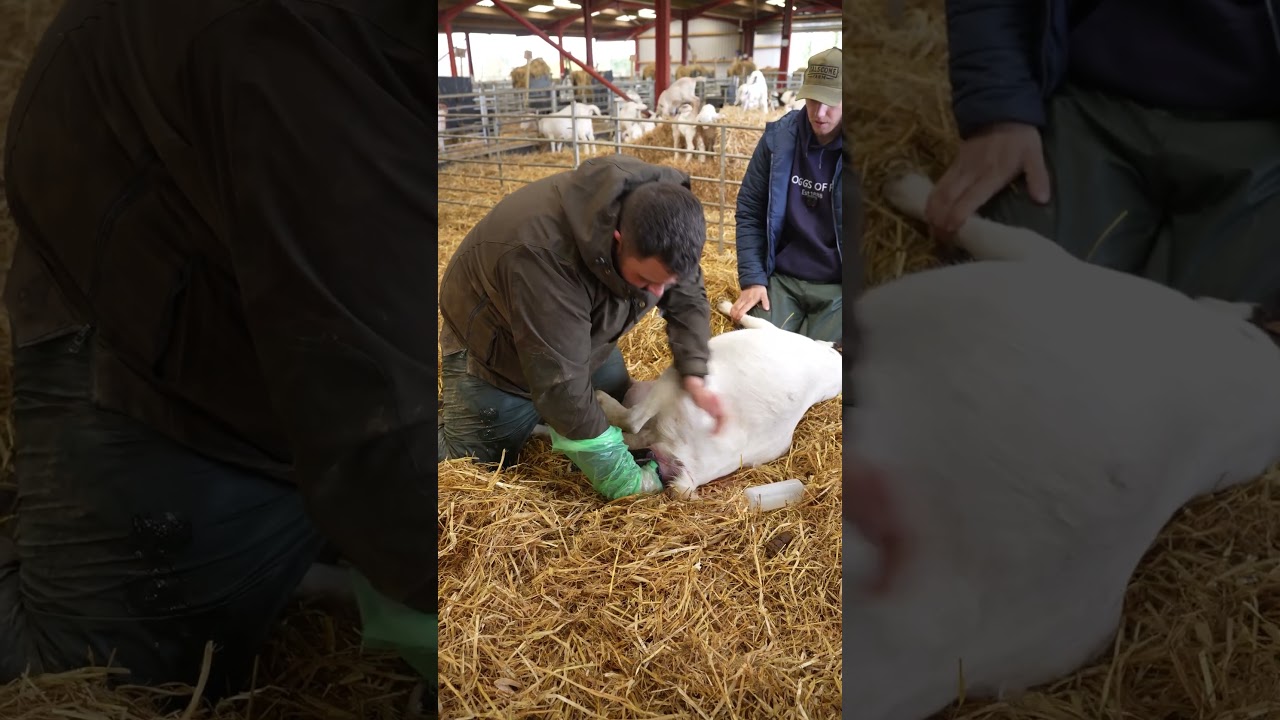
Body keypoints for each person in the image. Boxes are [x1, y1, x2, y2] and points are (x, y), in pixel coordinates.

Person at [0, 0, 435, 704]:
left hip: (250, 279)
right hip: (143, 302)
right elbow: (376, 408)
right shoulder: (309, 45)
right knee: (103, 680)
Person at [925, 0, 1280, 304]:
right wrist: (998, 111)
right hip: (1093, 98)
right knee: (1016, 306)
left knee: (1225, 352)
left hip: (1260, 131)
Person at [437, 155, 727, 501]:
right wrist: (625, 482)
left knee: (614, 399)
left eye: (666, 282)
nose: (659, 295)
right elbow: (562, 386)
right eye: (647, 280)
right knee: (473, 459)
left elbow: (685, 290)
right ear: (618, 240)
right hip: (496, 345)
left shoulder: (667, 217)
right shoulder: (542, 255)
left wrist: (693, 370)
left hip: (579, 332)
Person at [730, 47, 845, 342]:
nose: (820, 112)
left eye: (831, 101)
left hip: (838, 285)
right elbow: (750, 208)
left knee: (825, 365)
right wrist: (753, 277)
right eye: (813, 99)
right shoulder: (778, 139)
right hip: (782, 278)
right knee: (758, 348)